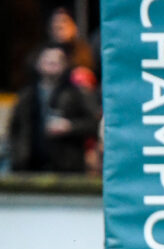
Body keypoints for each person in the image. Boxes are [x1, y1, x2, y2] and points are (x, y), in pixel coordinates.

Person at [8, 45, 98, 173]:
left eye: (56, 61)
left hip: (66, 167)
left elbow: (93, 124)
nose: (51, 65)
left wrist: (70, 126)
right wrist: (17, 155)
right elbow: (15, 129)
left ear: (65, 65)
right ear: (38, 63)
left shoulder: (76, 93)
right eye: (47, 61)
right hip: (29, 166)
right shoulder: (26, 95)